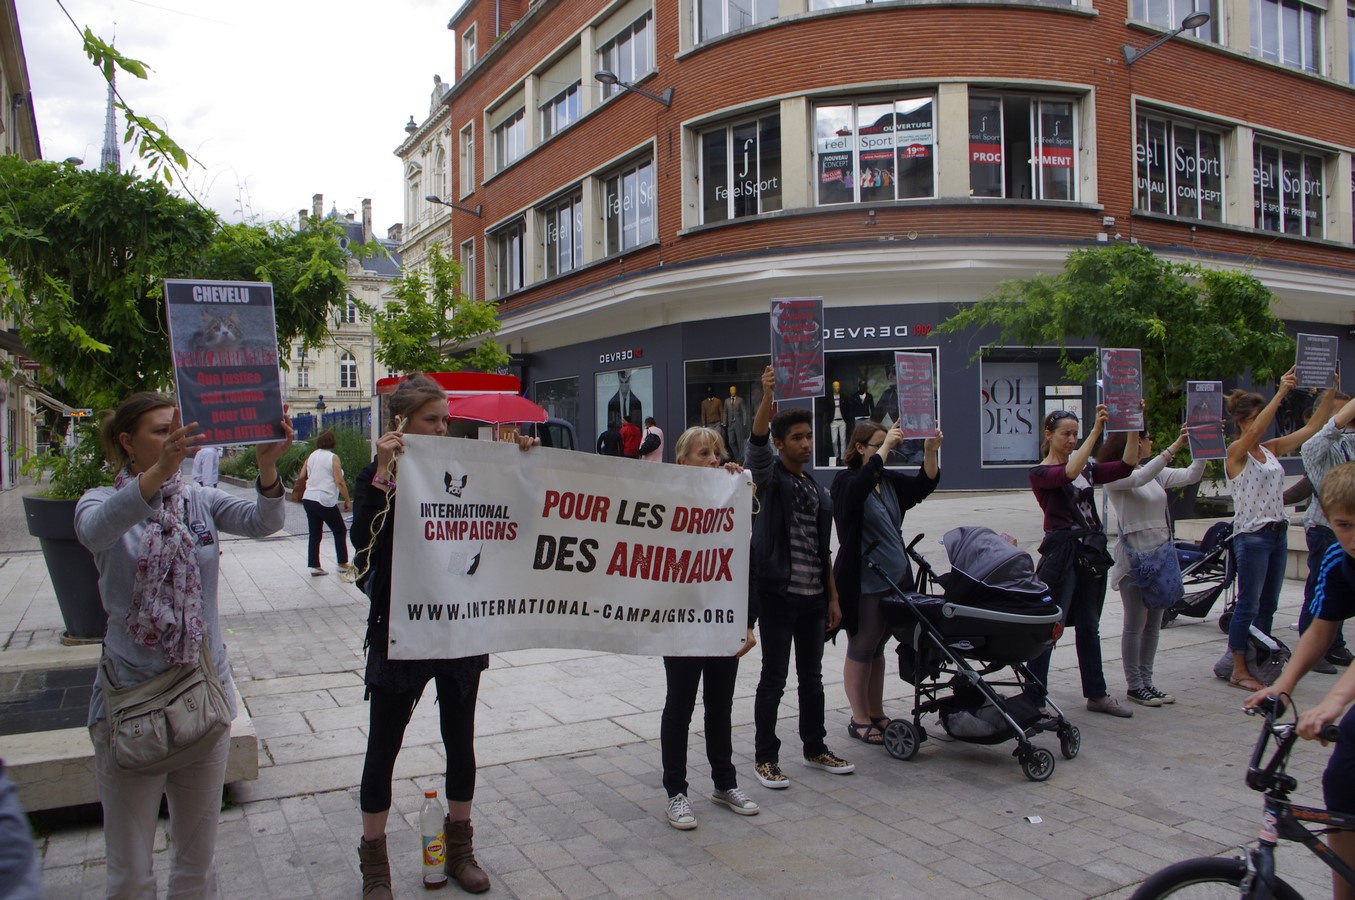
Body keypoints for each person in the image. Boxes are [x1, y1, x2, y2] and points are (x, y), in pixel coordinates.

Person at [75, 393, 290, 898]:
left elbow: (265, 522)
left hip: (202, 700)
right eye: (160, 431)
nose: (176, 439)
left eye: (178, 428)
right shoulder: (99, 502)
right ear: (127, 442)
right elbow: (94, 532)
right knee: (131, 873)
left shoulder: (199, 499)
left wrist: (266, 468)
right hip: (133, 707)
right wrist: (155, 478)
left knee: (198, 865)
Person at [352, 376, 534, 897]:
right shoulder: (377, 475)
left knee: (461, 740)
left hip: (459, 629)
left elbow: (516, 518)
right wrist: (385, 474)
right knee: (383, 747)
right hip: (402, 633)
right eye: (432, 419)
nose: (442, 426)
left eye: (445, 418)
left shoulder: (466, 469)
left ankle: (459, 850)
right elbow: (362, 549)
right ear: (400, 424)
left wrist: (520, 461)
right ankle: (375, 865)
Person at [1246, 461, 1355, 900]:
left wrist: (1332, 702)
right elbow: (1321, 629)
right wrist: (1283, 684)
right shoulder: (1337, 559)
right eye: (1344, 525)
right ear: (1328, 520)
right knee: (1341, 781)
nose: (1354, 537)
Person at [747, 365, 854, 789]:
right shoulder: (770, 478)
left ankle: (815, 747)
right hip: (777, 596)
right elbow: (755, 445)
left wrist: (832, 598)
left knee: (812, 678)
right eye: (796, 437)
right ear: (780, 443)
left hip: (813, 600)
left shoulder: (815, 486)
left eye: (809, 436)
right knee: (774, 678)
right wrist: (765, 397)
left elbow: (821, 547)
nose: (805, 443)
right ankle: (764, 758)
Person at [660, 426, 760, 830]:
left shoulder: (731, 497)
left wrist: (747, 623)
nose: (714, 460)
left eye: (717, 453)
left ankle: (725, 783)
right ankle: (676, 792)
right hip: (681, 622)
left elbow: (746, 567)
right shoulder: (665, 499)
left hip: (721, 622)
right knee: (679, 707)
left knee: (720, 706)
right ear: (682, 462)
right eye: (704, 454)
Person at [1223, 369, 1333, 691]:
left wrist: (1329, 391)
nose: (1263, 424)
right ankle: (1238, 668)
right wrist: (1281, 393)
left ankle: (1257, 660)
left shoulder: (1269, 448)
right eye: (1257, 418)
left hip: (1276, 533)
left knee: (1268, 604)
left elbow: (1313, 428)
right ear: (1244, 422)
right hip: (1252, 536)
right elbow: (1256, 429)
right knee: (1248, 604)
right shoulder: (1235, 453)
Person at [831, 421, 940, 744]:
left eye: (887, 444)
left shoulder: (887, 481)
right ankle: (858, 716)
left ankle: (876, 711)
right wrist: (886, 448)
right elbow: (857, 490)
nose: (886, 450)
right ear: (860, 448)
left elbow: (923, 485)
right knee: (863, 644)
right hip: (865, 579)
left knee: (879, 646)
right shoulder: (846, 481)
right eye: (878, 444)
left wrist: (930, 452)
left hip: (894, 578)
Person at [1026, 406, 1137, 717]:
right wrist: (1096, 431)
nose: (1072, 439)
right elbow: (1069, 472)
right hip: (1061, 554)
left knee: (1090, 625)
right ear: (1049, 435)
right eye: (1067, 434)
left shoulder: (1086, 468)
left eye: (1076, 433)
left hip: (1090, 553)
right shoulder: (1041, 472)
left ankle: (1096, 694)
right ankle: (1033, 698)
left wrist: (1132, 425)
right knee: (1050, 626)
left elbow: (1127, 465)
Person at [1099, 425, 1204, 707]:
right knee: (1135, 624)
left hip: (1159, 556)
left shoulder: (1153, 472)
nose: (1150, 442)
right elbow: (1139, 477)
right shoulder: (1115, 477)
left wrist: (1205, 446)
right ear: (1133, 443)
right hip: (1134, 559)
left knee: (1154, 625)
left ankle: (1147, 681)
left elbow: (1192, 475)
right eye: (1146, 438)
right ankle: (1134, 685)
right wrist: (1176, 445)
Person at [1300, 390, 1355, 673]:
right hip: (1323, 528)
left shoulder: (1346, 443)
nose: (1344, 419)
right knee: (1318, 590)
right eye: (1338, 412)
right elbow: (1327, 431)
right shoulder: (1314, 446)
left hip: (1344, 527)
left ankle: (1334, 644)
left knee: (1341, 587)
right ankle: (1313, 648)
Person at [300, 429, 352, 576]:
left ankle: (314, 566)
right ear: (332, 441)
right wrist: (347, 499)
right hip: (324, 499)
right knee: (340, 530)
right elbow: (339, 481)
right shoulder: (332, 457)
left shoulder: (311, 455)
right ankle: (342, 563)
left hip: (309, 497)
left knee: (315, 533)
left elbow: (302, 475)